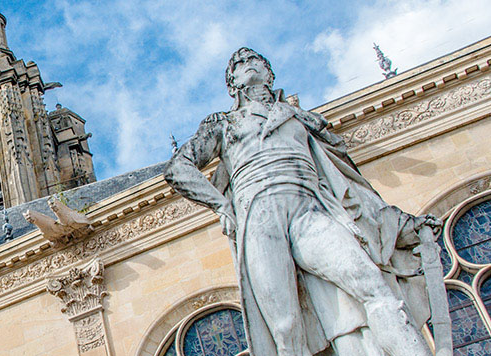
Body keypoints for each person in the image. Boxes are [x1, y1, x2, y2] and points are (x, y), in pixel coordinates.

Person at [165, 47, 440, 356]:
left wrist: (399, 223)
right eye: (239, 64)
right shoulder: (223, 123)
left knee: (373, 285)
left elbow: (349, 181)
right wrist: (221, 205)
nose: (247, 63)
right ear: (231, 84)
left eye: (254, 60)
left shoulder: (303, 120)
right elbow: (177, 169)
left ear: (269, 74)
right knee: (285, 331)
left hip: (310, 208)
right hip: (259, 214)